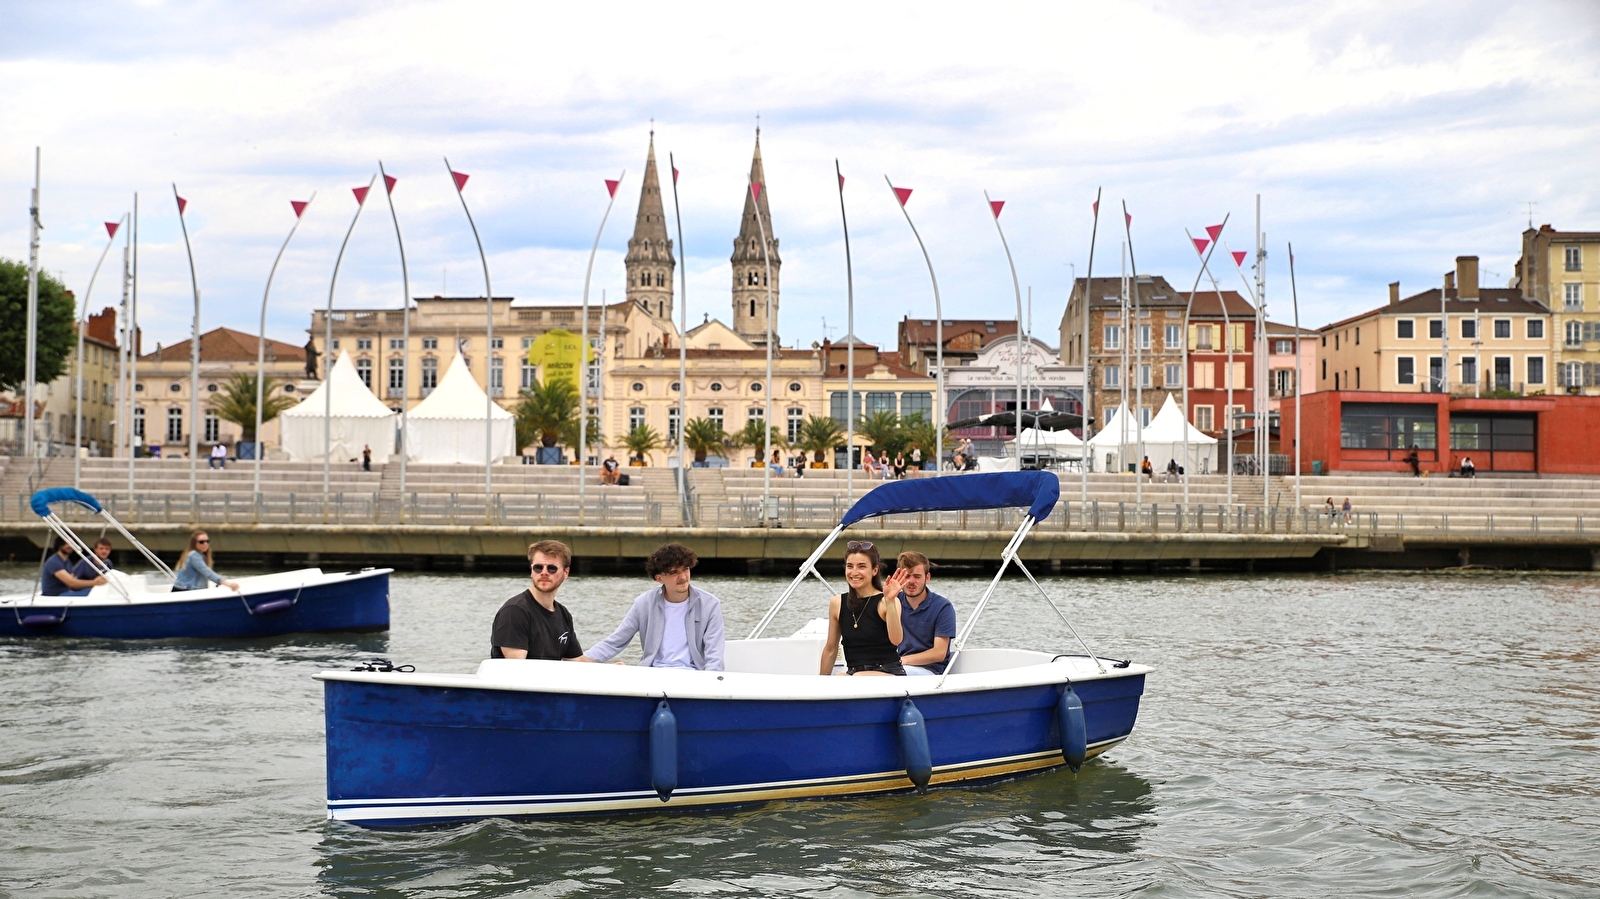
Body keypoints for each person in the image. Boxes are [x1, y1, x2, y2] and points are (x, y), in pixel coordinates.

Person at [579, 543, 725, 670]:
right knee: (617, 669)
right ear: (659, 578)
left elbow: (714, 657)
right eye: (674, 572)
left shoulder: (710, 605)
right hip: (652, 674)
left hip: (693, 675)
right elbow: (616, 641)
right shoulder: (643, 603)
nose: (683, 577)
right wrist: (582, 660)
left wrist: (710, 684)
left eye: (685, 569)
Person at [819, 540, 908, 676]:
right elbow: (831, 649)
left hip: (888, 672)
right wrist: (820, 686)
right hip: (854, 674)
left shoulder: (887, 601)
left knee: (855, 677)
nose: (854, 572)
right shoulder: (837, 603)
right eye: (850, 566)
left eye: (861, 567)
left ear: (874, 570)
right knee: (841, 677)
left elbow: (896, 640)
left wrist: (890, 601)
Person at [490, 540, 584, 660]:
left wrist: (611, 669)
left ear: (566, 573)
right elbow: (517, 669)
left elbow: (578, 663)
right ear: (531, 571)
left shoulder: (563, 615)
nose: (544, 573)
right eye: (538, 568)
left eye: (552, 568)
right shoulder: (514, 612)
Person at [893, 551, 957, 676]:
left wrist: (902, 661)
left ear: (927, 578)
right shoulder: (894, 602)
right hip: (898, 666)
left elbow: (939, 653)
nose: (911, 581)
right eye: (907, 576)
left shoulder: (943, 607)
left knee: (890, 675)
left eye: (917, 576)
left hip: (930, 672)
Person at [172, 531, 240, 592]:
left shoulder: (199, 555)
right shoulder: (194, 555)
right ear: (194, 543)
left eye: (207, 541)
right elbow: (207, 572)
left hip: (188, 589)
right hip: (185, 590)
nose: (205, 544)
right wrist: (227, 584)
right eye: (201, 542)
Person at [40, 539, 105, 597]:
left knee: (95, 590)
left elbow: (72, 579)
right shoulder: (54, 562)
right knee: (94, 593)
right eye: (66, 543)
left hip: (65, 593)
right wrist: (94, 582)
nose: (69, 546)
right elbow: (71, 583)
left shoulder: (67, 561)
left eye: (72, 544)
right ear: (59, 545)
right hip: (55, 596)